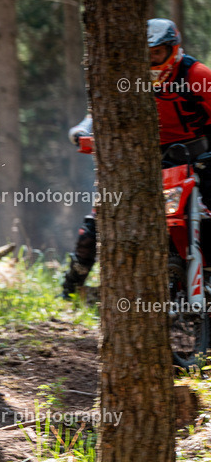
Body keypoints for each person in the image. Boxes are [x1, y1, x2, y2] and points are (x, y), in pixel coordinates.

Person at [62, 18, 211, 299]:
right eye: (147, 53)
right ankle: (70, 288)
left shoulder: (197, 75)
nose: (152, 59)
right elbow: (99, 112)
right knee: (99, 221)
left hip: (200, 158)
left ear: (173, 49)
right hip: (148, 163)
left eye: (157, 52)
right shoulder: (127, 77)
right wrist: (84, 130)